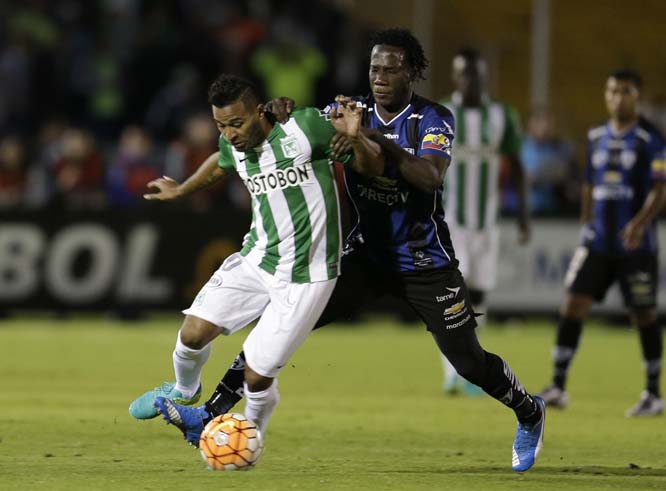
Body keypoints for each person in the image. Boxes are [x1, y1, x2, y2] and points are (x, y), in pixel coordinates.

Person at [155, 29, 546, 472]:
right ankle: (207, 413)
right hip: (363, 257)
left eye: (391, 68)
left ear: (413, 72)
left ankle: (529, 412)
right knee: (275, 327)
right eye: (374, 68)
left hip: (423, 261)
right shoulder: (346, 111)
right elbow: (293, 125)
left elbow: (429, 177)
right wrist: (277, 109)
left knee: (469, 362)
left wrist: (372, 141)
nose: (380, 76)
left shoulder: (434, 118)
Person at [128, 74, 383, 437]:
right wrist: (182, 189)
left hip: (308, 274)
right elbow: (220, 160)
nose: (230, 133)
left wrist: (355, 137)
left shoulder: (304, 128)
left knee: (257, 376)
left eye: (237, 123)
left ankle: (251, 439)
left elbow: (371, 167)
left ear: (259, 111)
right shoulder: (233, 144)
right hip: (257, 259)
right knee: (192, 334)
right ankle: (185, 389)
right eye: (221, 125)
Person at [539, 69, 666, 417]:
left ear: (637, 96)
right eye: (612, 91)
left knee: (643, 313)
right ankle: (558, 386)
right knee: (572, 304)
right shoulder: (596, 136)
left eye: (625, 91)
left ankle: (653, 393)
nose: (617, 98)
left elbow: (660, 189)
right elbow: (589, 185)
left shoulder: (649, 139)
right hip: (597, 242)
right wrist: (585, 220)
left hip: (635, 246)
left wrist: (640, 223)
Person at [439, 49, 530, 395]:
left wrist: (522, 214)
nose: (469, 80)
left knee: (478, 295)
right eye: (463, 74)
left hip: (487, 222)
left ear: (484, 75)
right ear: (455, 76)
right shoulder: (444, 113)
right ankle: (452, 373)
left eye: (475, 74)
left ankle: (471, 367)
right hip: (451, 221)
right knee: (452, 294)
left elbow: (517, 164)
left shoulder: (501, 115)